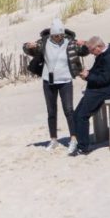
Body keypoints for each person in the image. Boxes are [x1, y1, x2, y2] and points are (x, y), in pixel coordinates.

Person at [23, 19, 88, 151]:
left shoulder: (70, 42)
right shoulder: (44, 42)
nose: (59, 38)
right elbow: (28, 49)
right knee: (51, 111)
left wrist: (84, 44)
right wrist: (28, 46)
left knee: (69, 110)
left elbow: (85, 51)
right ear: (51, 35)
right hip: (49, 81)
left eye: (61, 35)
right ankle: (53, 140)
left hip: (65, 81)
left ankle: (73, 139)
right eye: (56, 35)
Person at [70, 36, 110, 157]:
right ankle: (80, 143)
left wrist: (88, 76)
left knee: (82, 116)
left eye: (92, 50)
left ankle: (83, 148)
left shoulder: (109, 57)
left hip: (107, 91)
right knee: (76, 114)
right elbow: (98, 73)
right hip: (98, 89)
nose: (91, 54)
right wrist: (87, 73)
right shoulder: (103, 55)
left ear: (99, 47)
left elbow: (105, 79)